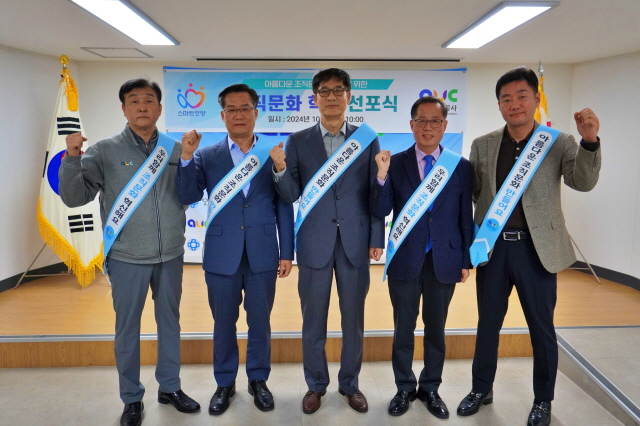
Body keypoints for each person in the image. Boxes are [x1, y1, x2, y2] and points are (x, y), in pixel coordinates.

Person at [456, 66, 601, 426]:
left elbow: (582, 182)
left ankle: (543, 400)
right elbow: (476, 193)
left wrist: (589, 142)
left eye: (522, 96)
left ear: (536, 99)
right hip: (493, 250)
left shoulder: (558, 141)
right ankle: (481, 389)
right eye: (506, 99)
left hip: (536, 251)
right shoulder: (483, 144)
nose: (514, 104)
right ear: (499, 105)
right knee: (487, 324)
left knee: (541, 328)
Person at [59, 78, 200, 426]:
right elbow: (75, 198)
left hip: (170, 254)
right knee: (127, 330)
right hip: (126, 257)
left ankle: (170, 387)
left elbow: (188, 195)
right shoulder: (104, 151)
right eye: (134, 101)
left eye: (148, 100)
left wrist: (187, 158)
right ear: (123, 109)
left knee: (170, 323)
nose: (141, 106)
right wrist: (72, 157)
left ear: (159, 108)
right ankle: (132, 398)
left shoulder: (174, 149)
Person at [269, 68, 385, 414]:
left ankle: (350, 384)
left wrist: (376, 236)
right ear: (314, 98)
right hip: (314, 242)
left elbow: (375, 192)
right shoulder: (298, 140)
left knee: (353, 321)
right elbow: (290, 194)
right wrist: (279, 170)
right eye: (324, 91)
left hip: (355, 243)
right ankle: (315, 385)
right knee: (313, 321)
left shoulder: (367, 139)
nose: (331, 96)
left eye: (337, 90)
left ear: (349, 96)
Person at [175, 84, 294, 415]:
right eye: (231, 109)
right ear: (222, 115)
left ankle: (258, 380)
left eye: (245, 109)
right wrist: (186, 157)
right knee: (223, 323)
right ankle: (224, 383)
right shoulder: (206, 155)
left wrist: (287, 252)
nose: (238, 115)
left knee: (260, 322)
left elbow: (285, 202)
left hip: (263, 253)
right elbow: (187, 195)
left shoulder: (273, 151)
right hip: (221, 253)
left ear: (256, 113)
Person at [370, 96, 473, 418]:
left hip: (445, 258)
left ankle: (430, 388)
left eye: (435, 121)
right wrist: (381, 175)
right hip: (406, 257)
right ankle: (404, 387)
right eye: (422, 121)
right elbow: (380, 209)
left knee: (436, 329)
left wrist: (466, 259)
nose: (428, 127)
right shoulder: (395, 162)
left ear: (444, 126)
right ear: (411, 125)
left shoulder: (460, 166)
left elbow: (464, 216)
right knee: (403, 328)